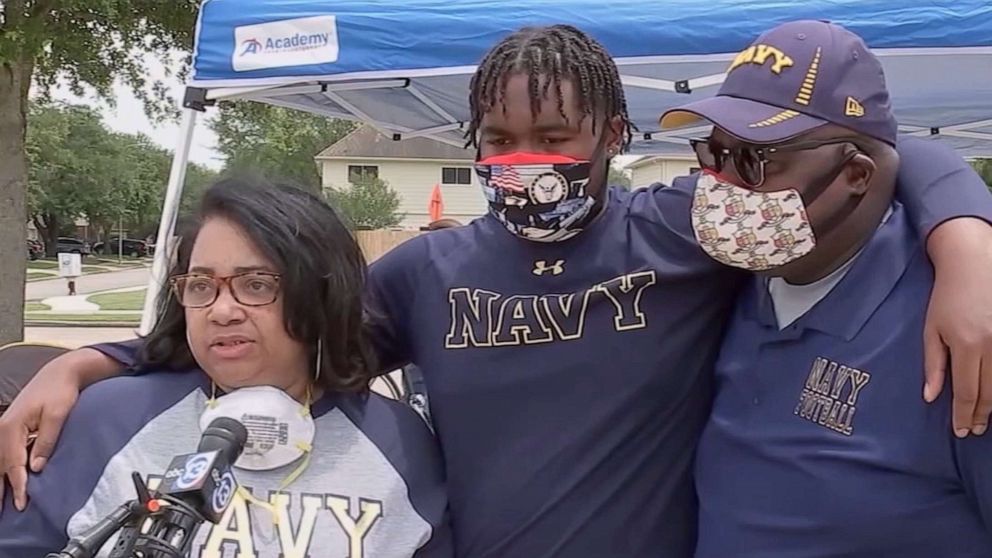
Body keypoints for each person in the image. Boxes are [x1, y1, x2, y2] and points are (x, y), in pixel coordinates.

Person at [5, 24, 992, 558]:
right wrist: (92, 359)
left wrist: (963, 246)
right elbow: (282, 334)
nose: (524, 164)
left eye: (553, 139)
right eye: (499, 141)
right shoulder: (424, 275)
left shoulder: (688, 228)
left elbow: (868, 150)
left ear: (613, 137)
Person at [658, 21, 992, 556]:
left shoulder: (963, 332)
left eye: (754, 160)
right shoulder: (737, 274)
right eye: (714, 155)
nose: (724, 188)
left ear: (856, 175)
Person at [0, 177, 451, 557]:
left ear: (320, 296)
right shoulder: (104, 419)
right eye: (201, 285)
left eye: (255, 285)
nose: (221, 310)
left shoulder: (403, 442)